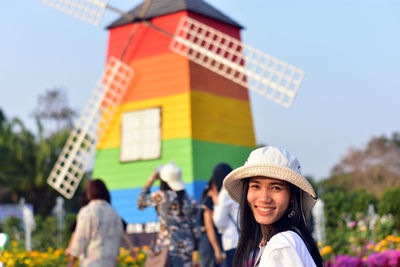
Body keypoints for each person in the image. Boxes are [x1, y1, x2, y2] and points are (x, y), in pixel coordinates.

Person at [223, 146, 324, 267]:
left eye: (276, 188)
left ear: (292, 195)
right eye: (256, 186)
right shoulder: (284, 239)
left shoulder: (281, 245)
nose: (264, 198)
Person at [137, 162, 200, 267]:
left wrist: (152, 178)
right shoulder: (190, 200)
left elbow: (140, 202)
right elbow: (196, 231)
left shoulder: (162, 197)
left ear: (164, 180)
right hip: (186, 249)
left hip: (167, 250)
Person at [67, 179, 124, 267]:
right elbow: (119, 234)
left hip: (92, 261)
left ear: (89, 193)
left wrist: (72, 259)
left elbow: (80, 237)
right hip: (110, 261)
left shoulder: (87, 211)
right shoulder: (114, 213)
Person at [207, 163, 238, 267]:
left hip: (232, 241)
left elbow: (220, 222)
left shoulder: (225, 192)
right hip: (246, 240)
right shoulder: (238, 189)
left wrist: (216, 203)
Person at [198, 180, 224, 267]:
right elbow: (209, 227)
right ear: (214, 186)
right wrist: (217, 250)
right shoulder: (209, 201)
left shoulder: (208, 199)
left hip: (211, 242)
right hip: (210, 243)